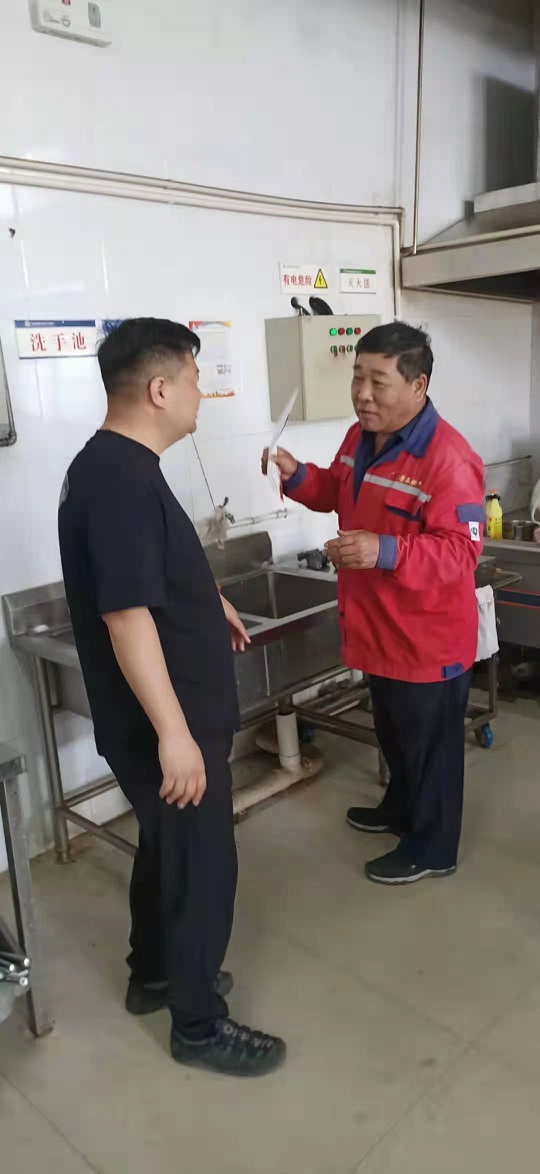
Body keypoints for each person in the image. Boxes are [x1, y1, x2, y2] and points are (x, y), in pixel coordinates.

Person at [59, 318, 285, 1075]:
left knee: (167, 851)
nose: (199, 394)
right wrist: (175, 734)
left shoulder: (117, 465)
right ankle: (198, 1024)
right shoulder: (119, 481)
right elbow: (126, 616)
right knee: (201, 866)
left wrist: (207, 599)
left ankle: (154, 974)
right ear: (160, 389)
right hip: (168, 722)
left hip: (164, 717)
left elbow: (148, 571)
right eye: (193, 380)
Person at [265, 321, 484, 886]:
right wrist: (297, 475)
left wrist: (383, 549)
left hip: (427, 640)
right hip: (379, 630)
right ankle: (401, 810)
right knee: (395, 735)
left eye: (378, 382)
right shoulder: (359, 439)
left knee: (431, 751)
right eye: (357, 377)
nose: (362, 394)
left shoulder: (448, 458)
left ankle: (434, 847)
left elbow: (460, 553)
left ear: (418, 385)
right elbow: (338, 491)